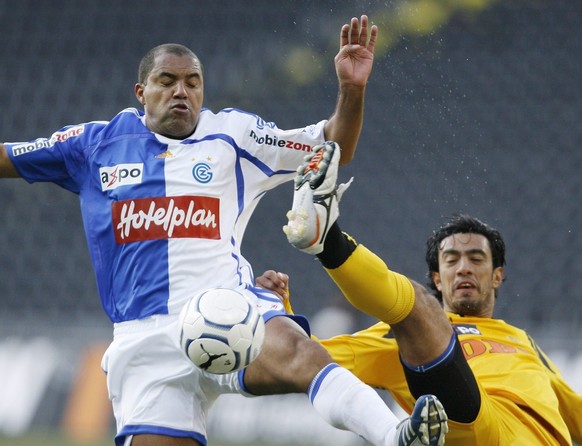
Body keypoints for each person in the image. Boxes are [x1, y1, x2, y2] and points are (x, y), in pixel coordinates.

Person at [0, 17, 449, 446]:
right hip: (144, 340)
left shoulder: (235, 135)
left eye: (192, 82)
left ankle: (395, 434)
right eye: (167, 81)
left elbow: (336, 144)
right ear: (141, 91)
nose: (182, 92)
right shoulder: (93, 145)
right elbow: (10, 157)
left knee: (302, 354)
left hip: (226, 310)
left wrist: (352, 89)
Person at [259, 141, 582, 445]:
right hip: (477, 430)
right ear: (437, 279)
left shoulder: (522, 341)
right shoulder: (400, 337)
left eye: (476, 259)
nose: (463, 268)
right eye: (451, 261)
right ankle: (327, 241)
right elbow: (310, 359)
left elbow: (574, 414)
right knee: (419, 310)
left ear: (498, 275)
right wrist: (281, 312)